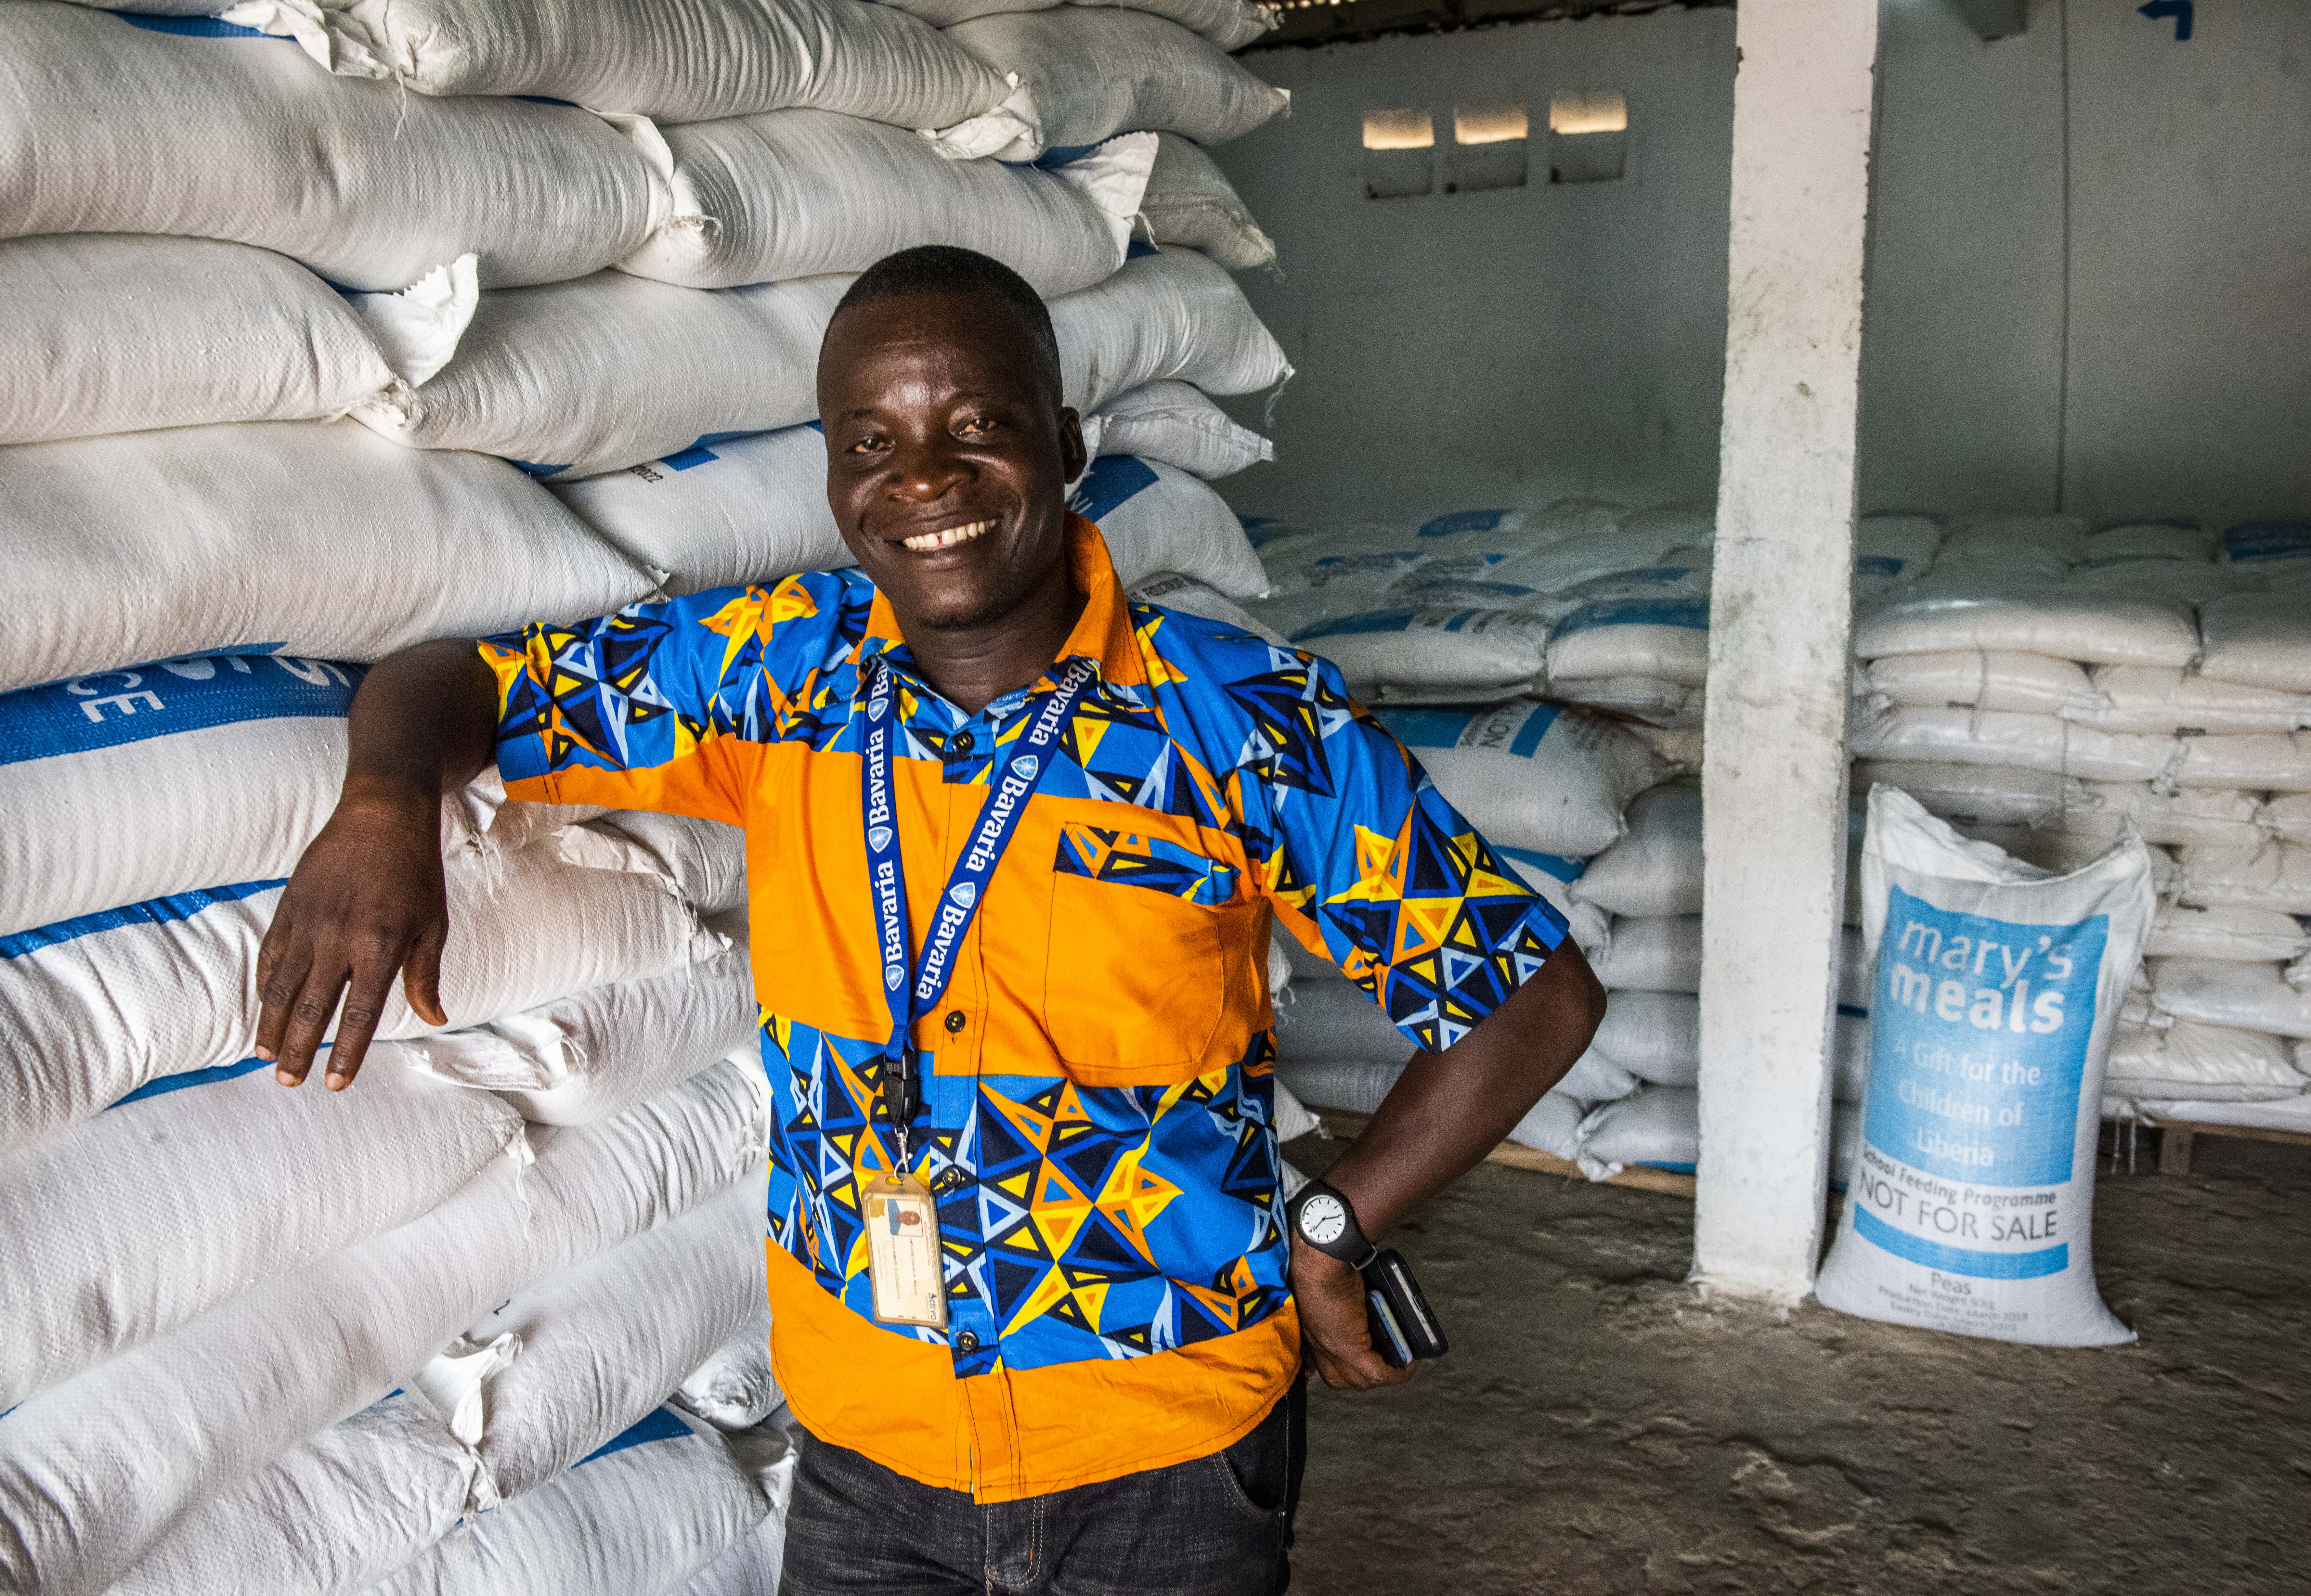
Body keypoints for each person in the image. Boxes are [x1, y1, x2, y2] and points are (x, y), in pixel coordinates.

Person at [254, 244, 1603, 1594]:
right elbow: (451, 680)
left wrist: (1335, 1228)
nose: (925, 480)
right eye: (871, 441)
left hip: (1167, 1453)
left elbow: (1529, 998)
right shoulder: (779, 671)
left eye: (979, 427)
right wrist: (381, 804)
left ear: (1065, 445)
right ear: (837, 478)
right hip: (869, 1446)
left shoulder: (1238, 719)